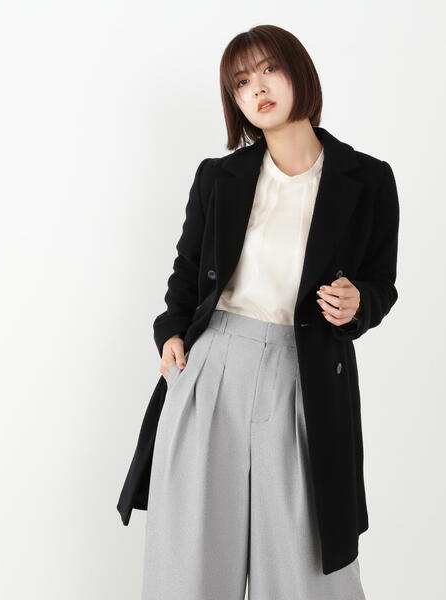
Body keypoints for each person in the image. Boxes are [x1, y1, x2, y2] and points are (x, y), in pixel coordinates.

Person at [117, 24, 400, 600]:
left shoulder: (367, 178)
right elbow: (187, 272)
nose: (258, 88)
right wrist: (171, 333)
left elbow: (380, 284)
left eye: (270, 69)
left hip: (305, 375)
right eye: (242, 82)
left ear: (300, 73)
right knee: (191, 564)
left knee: (305, 568)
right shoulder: (218, 177)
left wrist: (358, 304)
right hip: (211, 369)